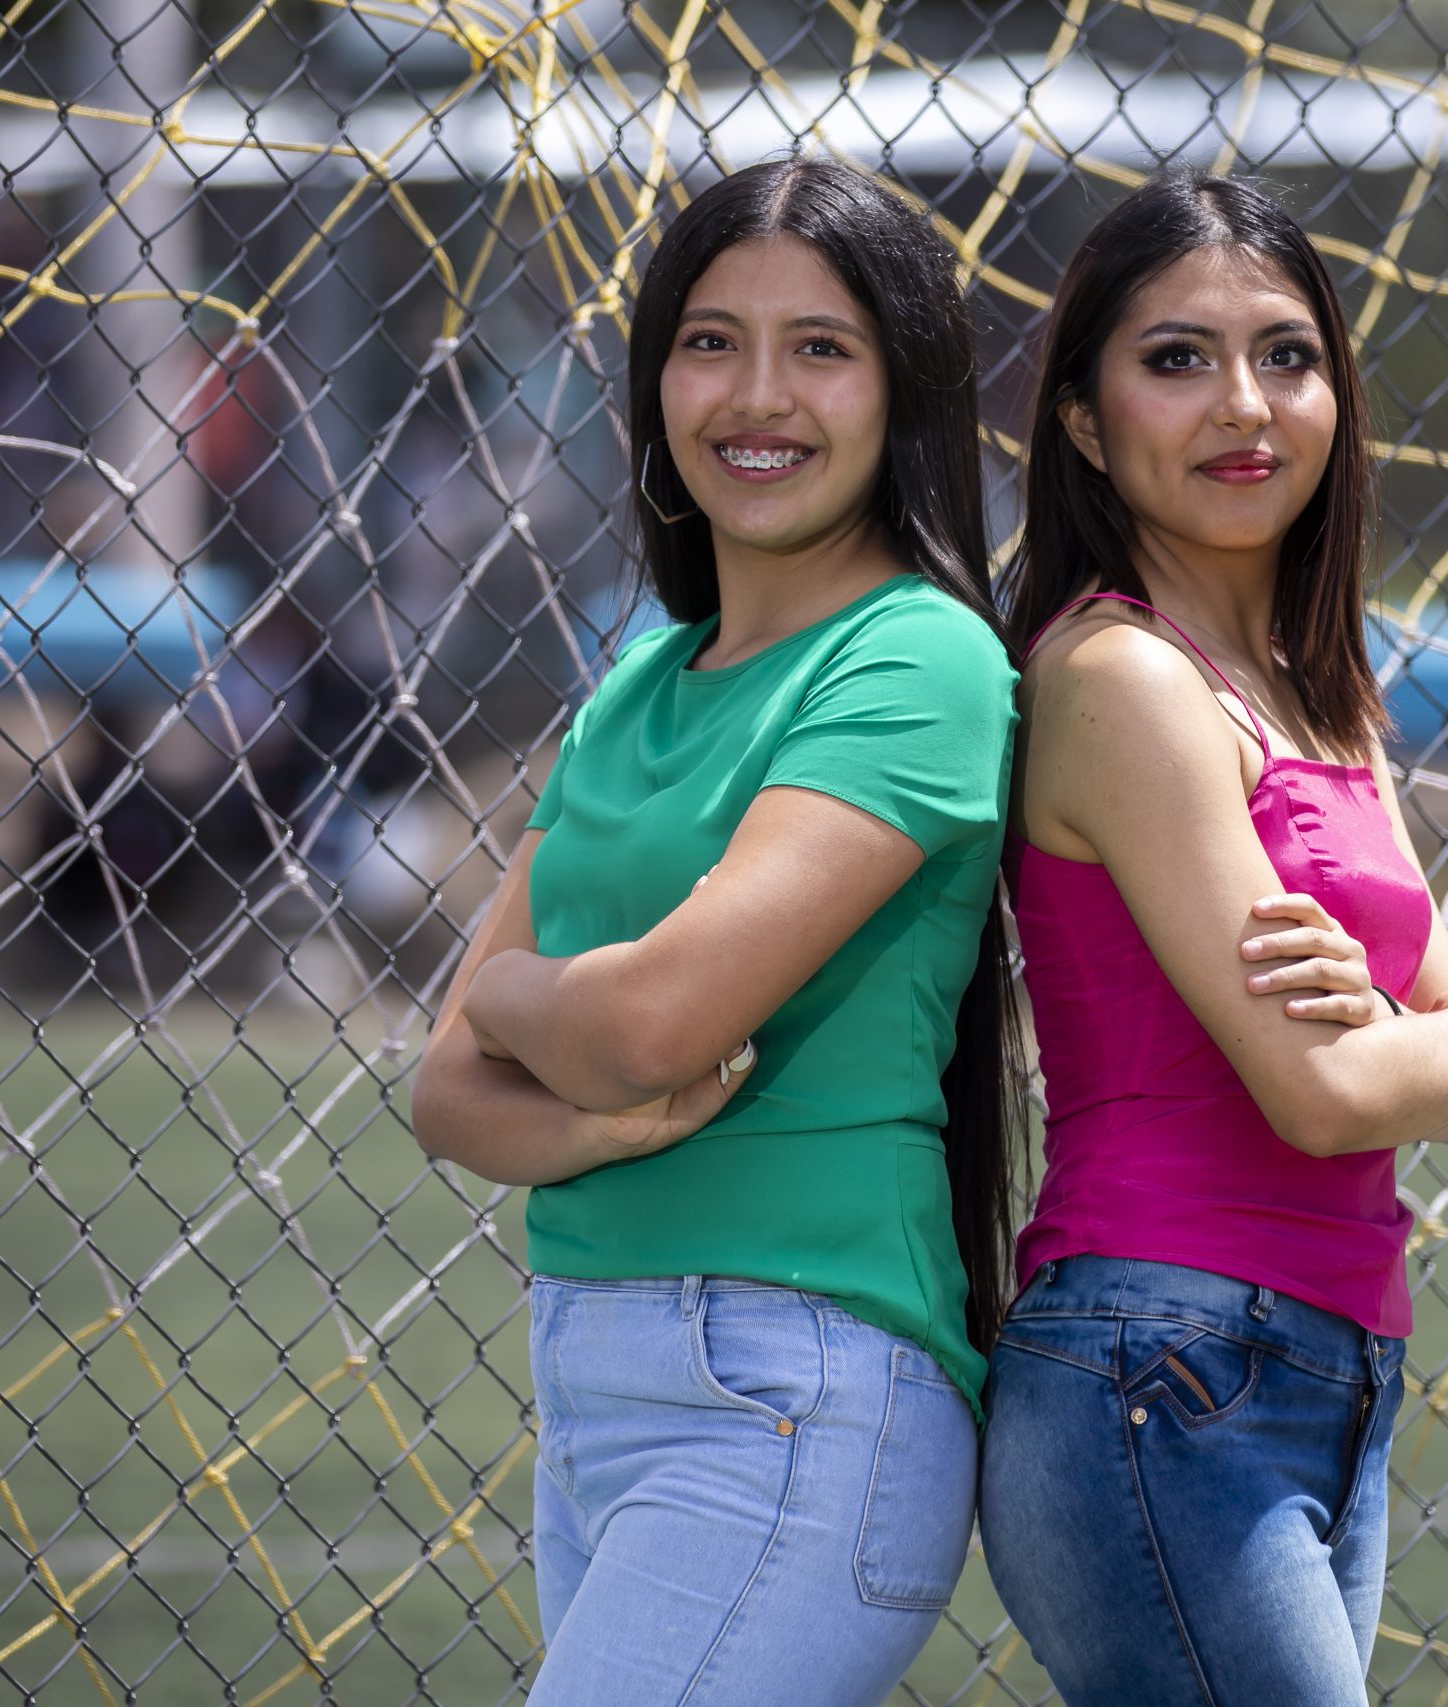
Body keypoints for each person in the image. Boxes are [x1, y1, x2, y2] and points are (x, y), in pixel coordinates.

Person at [408, 158, 1021, 1706]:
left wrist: (539, 1006)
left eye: (822, 347)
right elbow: (443, 1093)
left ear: (906, 391)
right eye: (709, 341)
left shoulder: (921, 658)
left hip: (788, 1396)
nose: (759, 395)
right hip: (600, 1389)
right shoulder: (640, 681)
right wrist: (602, 1127)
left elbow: (646, 1031)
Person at [979, 169, 1448, 1706]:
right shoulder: (1123, 679)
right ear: (1085, 422)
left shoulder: (1319, 692)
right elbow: (1341, 1093)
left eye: (1287, 355)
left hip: (1330, 1375)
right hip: (1164, 1371)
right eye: (1177, 359)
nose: (1246, 402)